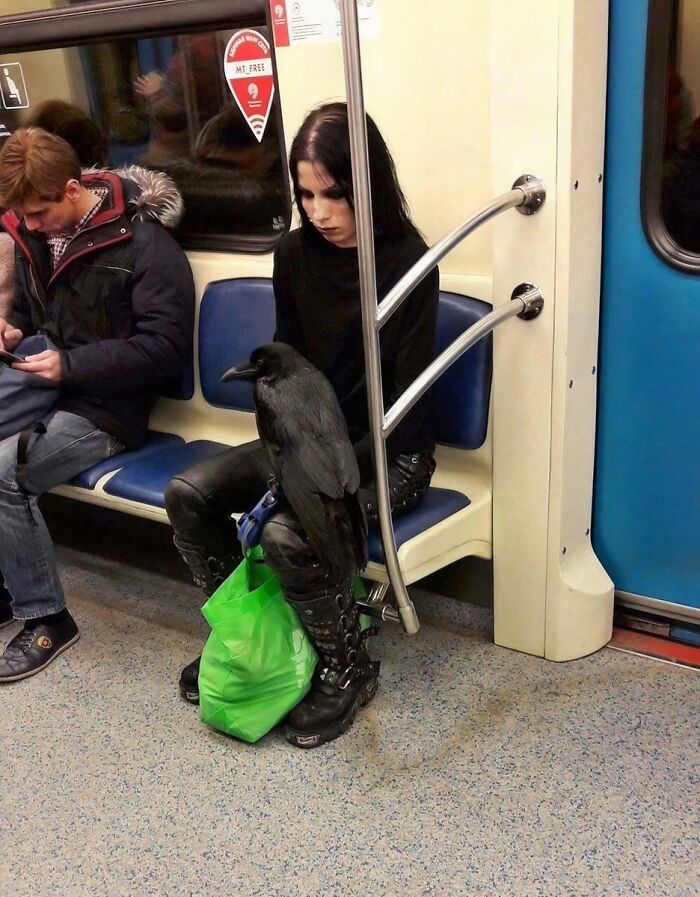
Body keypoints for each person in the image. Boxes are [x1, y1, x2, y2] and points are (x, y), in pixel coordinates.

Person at [165, 101, 438, 748]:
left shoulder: (408, 261)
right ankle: (257, 632)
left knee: (290, 532)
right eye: (306, 193)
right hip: (305, 439)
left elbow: (407, 406)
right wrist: (291, 458)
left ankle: (349, 663)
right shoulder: (292, 253)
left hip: (384, 453)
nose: (318, 211)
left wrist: (315, 480)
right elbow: (285, 366)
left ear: (365, 185)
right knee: (190, 496)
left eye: (335, 193)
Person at [0, 127, 194, 682]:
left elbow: (164, 351)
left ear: (71, 188)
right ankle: (9, 587)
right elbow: (42, 321)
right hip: (46, 378)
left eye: (38, 213)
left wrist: (72, 366)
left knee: (4, 474)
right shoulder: (39, 235)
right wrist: (14, 332)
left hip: (107, 408)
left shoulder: (147, 247)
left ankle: (47, 619)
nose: (28, 226)